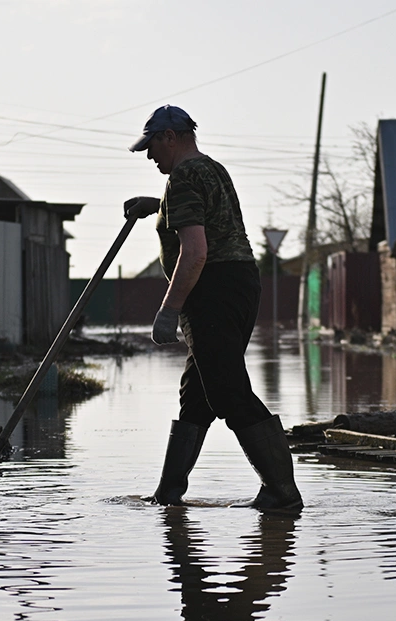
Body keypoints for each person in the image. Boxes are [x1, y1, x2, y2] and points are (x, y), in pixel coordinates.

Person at [124, 105, 303, 511]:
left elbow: (196, 250)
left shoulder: (184, 176)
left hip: (212, 290)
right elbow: (212, 219)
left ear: (170, 137)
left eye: (152, 146)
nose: (150, 156)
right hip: (240, 283)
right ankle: (168, 496)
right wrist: (158, 205)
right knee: (197, 395)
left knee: (226, 390)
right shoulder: (210, 169)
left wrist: (169, 310)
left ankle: (282, 493)